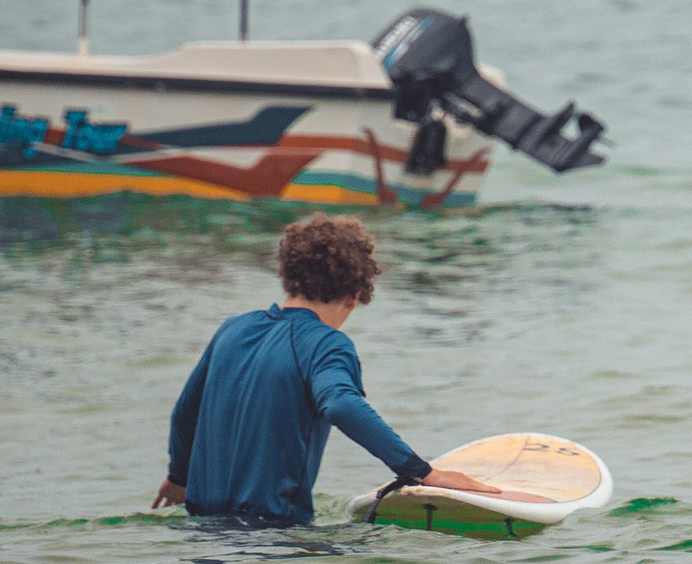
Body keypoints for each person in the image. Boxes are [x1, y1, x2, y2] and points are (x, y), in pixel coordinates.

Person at [154, 213, 482, 525]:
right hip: (273, 536)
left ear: (288, 280)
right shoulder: (326, 343)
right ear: (354, 296)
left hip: (203, 536)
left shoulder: (232, 330)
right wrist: (423, 472)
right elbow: (340, 404)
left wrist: (179, 478)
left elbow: (184, 413)